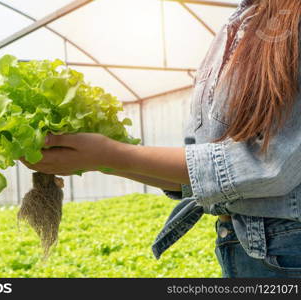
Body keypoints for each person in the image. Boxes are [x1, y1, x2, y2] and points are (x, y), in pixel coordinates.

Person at [21, 0, 301, 278]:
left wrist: (109, 154)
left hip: (286, 251)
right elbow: (204, 176)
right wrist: (99, 161)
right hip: (243, 248)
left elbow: (267, 167)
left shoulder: (291, 20)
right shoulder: (238, 24)